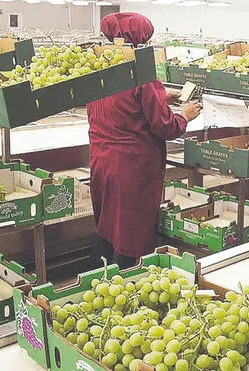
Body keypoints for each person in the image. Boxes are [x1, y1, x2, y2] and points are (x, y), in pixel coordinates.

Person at [88, 13, 201, 268]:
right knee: (130, 230)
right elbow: (165, 127)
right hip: (132, 168)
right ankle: (126, 277)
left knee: (107, 223)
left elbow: (126, 106)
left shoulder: (98, 68)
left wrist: (162, 96)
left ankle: (97, 274)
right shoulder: (142, 72)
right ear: (139, 39)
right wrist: (185, 115)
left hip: (101, 161)